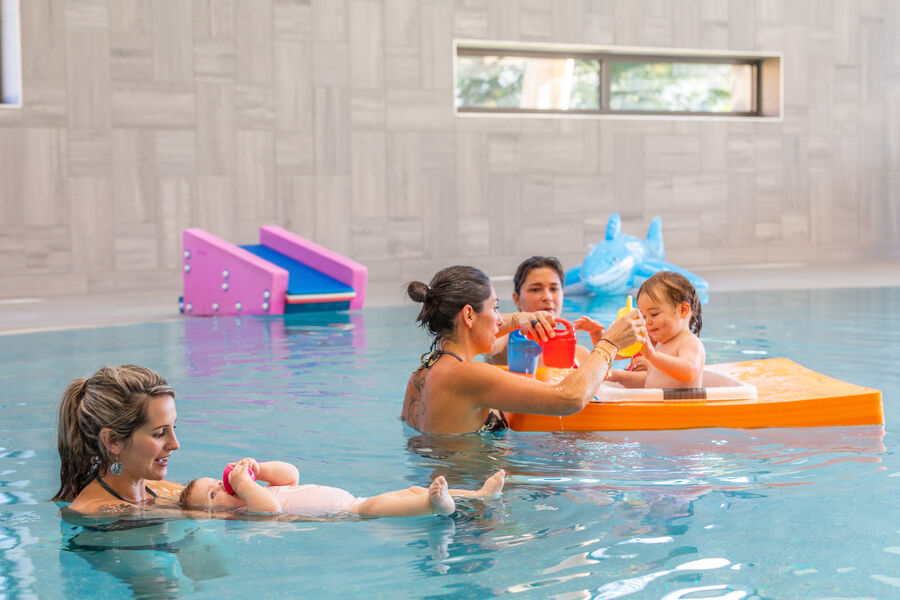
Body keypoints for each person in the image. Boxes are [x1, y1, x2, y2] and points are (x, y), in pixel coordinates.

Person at [401, 265, 645, 434]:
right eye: (495, 308)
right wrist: (610, 344)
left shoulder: (421, 375)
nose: (499, 319)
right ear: (468, 314)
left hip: (453, 494)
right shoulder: (468, 375)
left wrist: (521, 319)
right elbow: (569, 399)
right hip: (474, 505)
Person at [178, 457, 506, 518]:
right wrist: (246, 486)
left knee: (411, 491)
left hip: (354, 499)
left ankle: (477, 495)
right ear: (216, 516)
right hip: (352, 512)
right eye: (213, 494)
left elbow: (291, 473)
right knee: (381, 507)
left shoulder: (259, 488)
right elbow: (271, 510)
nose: (222, 486)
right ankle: (436, 505)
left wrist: (259, 469)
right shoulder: (252, 508)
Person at [53, 365, 183, 513]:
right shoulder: (92, 511)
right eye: (159, 433)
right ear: (112, 441)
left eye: (174, 427)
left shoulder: (165, 492)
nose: (175, 444)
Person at [486, 256, 607, 367]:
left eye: (554, 289)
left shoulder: (580, 355)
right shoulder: (506, 342)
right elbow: (482, 332)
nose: (547, 297)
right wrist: (517, 320)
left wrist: (602, 342)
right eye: (535, 289)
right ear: (516, 299)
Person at [608, 271, 705, 389]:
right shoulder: (661, 344)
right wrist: (617, 376)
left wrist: (652, 356)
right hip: (659, 405)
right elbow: (649, 383)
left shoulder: (689, 342)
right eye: (644, 316)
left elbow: (689, 372)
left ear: (683, 310)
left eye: (654, 314)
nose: (646, 322)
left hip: (680, 407)